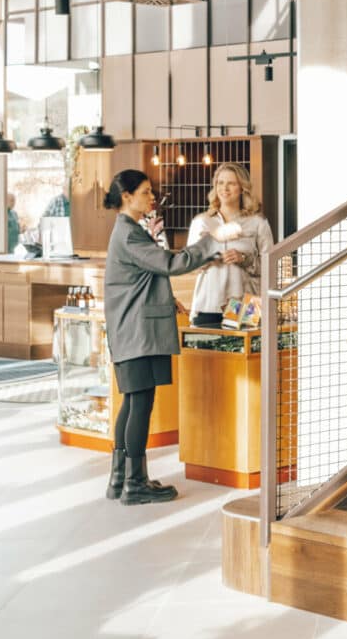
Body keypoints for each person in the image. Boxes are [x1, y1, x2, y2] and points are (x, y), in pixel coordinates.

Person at [102, 169, 243, 504]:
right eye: (146, 192)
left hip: (131, 330)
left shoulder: (127, 231)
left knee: (132, 401)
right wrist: (214, 238)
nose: (152, 198)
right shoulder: (130, 234)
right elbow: (171, 264)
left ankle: (121, 478)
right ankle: (135, 485)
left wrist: (168, 299)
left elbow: (143, 278)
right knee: (140, 403)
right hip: (139, 332)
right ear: (127, 197)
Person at [186, 162, 275, 328]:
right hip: (208, 304)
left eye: (231, 183)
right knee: (203, 345)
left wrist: (244, 258)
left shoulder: (258, 222)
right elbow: (188, 264)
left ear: (242, 188)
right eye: (220, 183)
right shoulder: (201, 222)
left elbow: (270, 266)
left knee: (246, 346)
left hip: (246, 305)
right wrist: (206, 258)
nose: (224, 188)